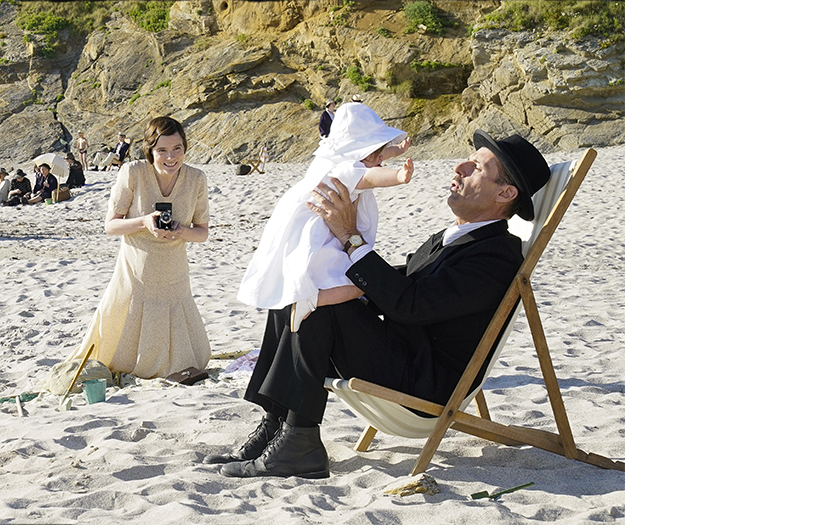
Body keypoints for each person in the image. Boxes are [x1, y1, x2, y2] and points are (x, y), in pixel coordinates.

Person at [207, 129, 552, 480]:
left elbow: (410, 305)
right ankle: (276, 425)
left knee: (321, 308)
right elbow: (403, 286)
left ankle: (300, 442)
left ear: (505, 193)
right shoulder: (454, 239)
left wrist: (350, 237)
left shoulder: (496, 256)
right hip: (404, 357)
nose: (459, 167)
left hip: (423, 382)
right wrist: (323, 280)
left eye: (477, 167)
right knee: (297, 291)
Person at [238, 102, 413, 332]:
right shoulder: (349, 170)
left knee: (347, 279)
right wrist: (399, 175)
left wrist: (398, 150)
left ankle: (317, 299)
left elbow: (374, 158)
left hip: (314, 229)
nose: (382, 156)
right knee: (360, 283)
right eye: (377, 151)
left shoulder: (333, 157)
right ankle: (311, 301)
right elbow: (372, 176)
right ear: (361, 151)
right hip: (324, 236)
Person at [66, 116, 211, 379]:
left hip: (174, 275)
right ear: (150, 150)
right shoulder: (133, 172)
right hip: (134, 275)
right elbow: (110, 226)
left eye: (177, 148)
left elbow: (202, 233)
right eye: (162, 150)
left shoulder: (196, 179)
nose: (171, 157)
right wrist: (144, 221)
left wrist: (182, 231)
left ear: (185, 148)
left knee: (194, 359)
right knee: (120, 356)